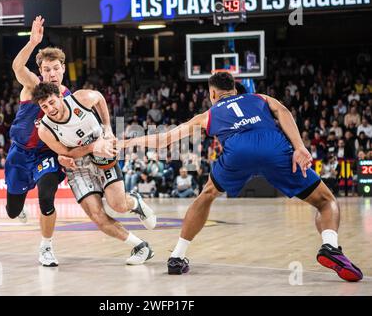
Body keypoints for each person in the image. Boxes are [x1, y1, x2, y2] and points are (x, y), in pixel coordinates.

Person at [122, 72, 363, 282]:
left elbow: (165, 140)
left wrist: (128, 142)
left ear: (213, 94)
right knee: (326, 201)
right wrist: (299, 146)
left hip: (238, 152)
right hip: (274, 148)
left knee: (207, 195)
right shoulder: (259, 98)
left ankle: (176, 256)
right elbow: (284, 111)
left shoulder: (208, 114)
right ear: (235, 89)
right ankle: (330, 246)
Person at [31, 82, 157, 265]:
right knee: (97, 216)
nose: (50, 109)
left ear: (59, 96)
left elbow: (99, 97)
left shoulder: (80, 99)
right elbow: (66, 152)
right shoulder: (44, 129)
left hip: (103, 154)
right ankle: (141, 246)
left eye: (51, 102)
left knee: (118, 205)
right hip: (79, 167)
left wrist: (107, 128)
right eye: (44, 106)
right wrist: (91, 147)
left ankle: (134, 201)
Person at [6, 16, 74, 267]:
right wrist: (33, 42)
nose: (52, 73)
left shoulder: (69, 98)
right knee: (12, 211)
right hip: (20, 154)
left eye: (56, 68)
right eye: (47, 69)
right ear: (40, 72)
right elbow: (16, 66)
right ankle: (18, 204)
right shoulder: (33, 85)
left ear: (63, 69)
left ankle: (46, 247)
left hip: (47, 154)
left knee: (46, 196)